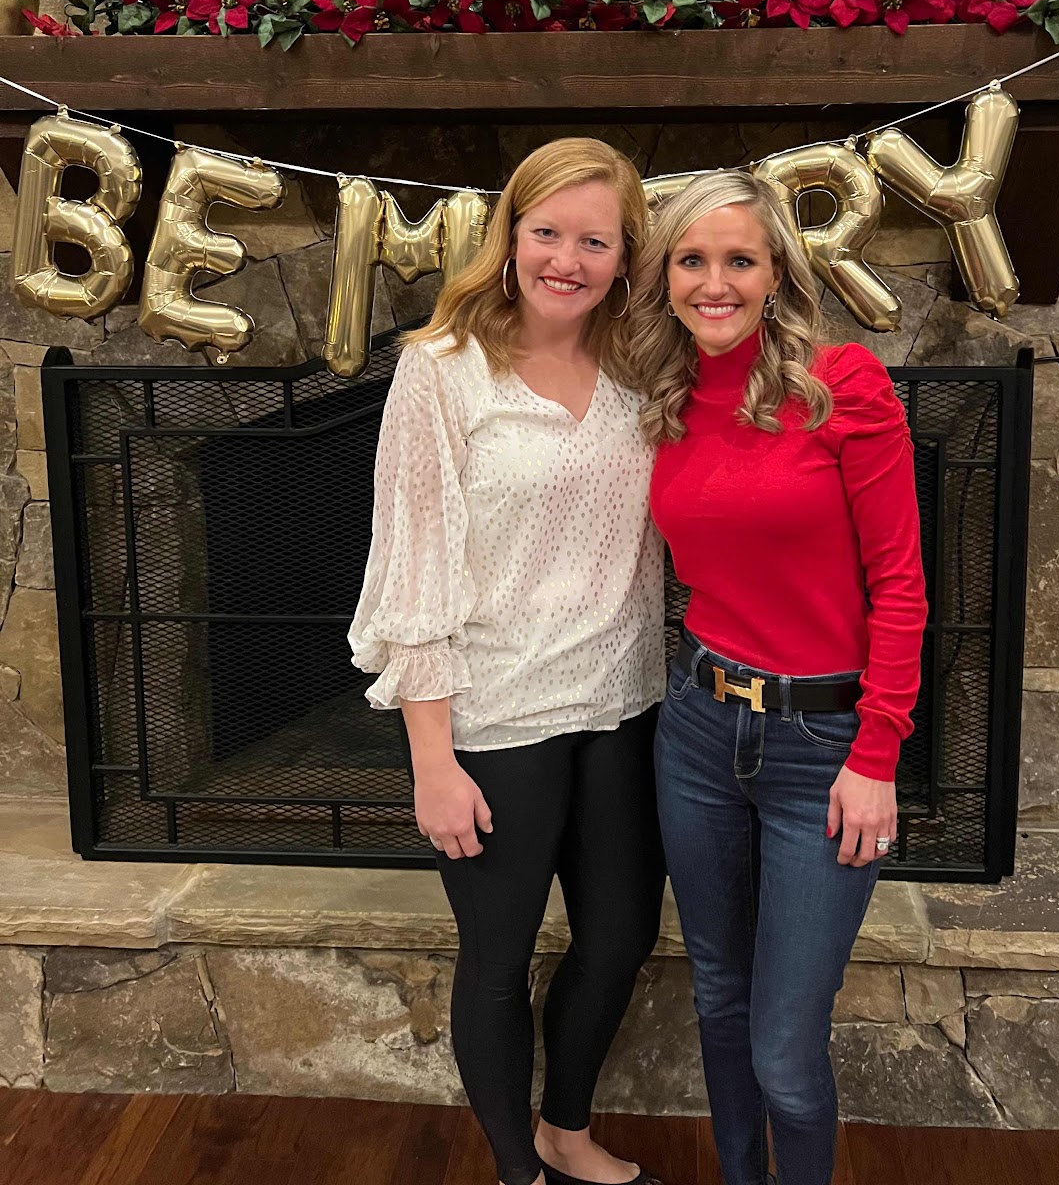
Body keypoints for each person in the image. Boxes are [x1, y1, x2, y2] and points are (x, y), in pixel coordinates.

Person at [349, 138, 666, 1185]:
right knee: (498, 959)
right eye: (546, 233)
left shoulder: (645, 369)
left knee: (619, 939)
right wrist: (430, 761)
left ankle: (564, 1131)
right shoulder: (442, 371)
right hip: (492, 720)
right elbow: (412, 567)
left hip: (623, 706)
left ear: (625, 256)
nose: (566, 260)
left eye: (594, 241)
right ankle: (515, 1171)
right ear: (509, 236)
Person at [628, 170, 925, 1185]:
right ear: (666, 276)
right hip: (698, 729)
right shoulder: (667, 401)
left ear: (776, 275)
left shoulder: (845, 386)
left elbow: (900, 583)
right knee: (719, 995)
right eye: (692, 259)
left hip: (824, 751)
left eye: (739, 260)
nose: (715, 283)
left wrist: (877, 753)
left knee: (786, 1053)